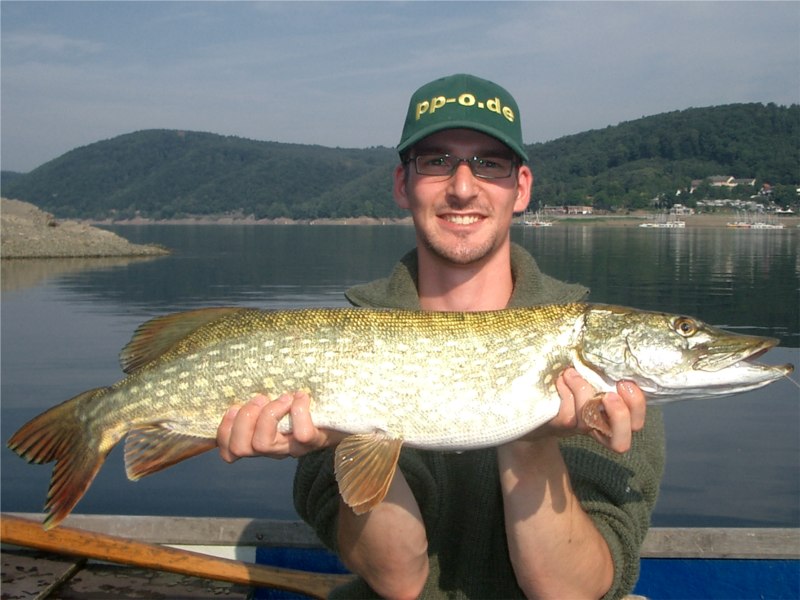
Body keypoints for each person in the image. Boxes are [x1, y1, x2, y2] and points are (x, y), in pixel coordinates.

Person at [217, 73, 665, 599]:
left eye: (488, 163)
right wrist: (340, 439)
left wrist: (531, 442)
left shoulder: (605, 375)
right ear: (403, 185)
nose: (462, 186)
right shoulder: (336, 350)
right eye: (436, 161)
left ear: (521, 188)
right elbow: (400, 581)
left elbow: (572, 593)